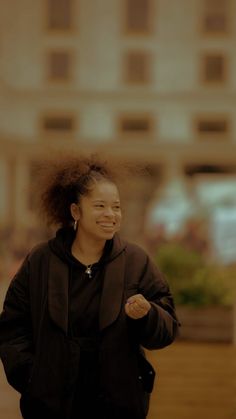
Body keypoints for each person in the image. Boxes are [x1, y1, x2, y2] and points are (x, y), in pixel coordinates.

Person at [0, 155, 179, 419]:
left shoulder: (136, 261)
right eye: (100, 206)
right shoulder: (41, 260)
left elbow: (169, 327)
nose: (110, 214)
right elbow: (12, 328)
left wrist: (148, 314)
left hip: (118, 406)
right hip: (51, 406)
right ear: (75, 211)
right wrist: (32, 378)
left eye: (116, 207)